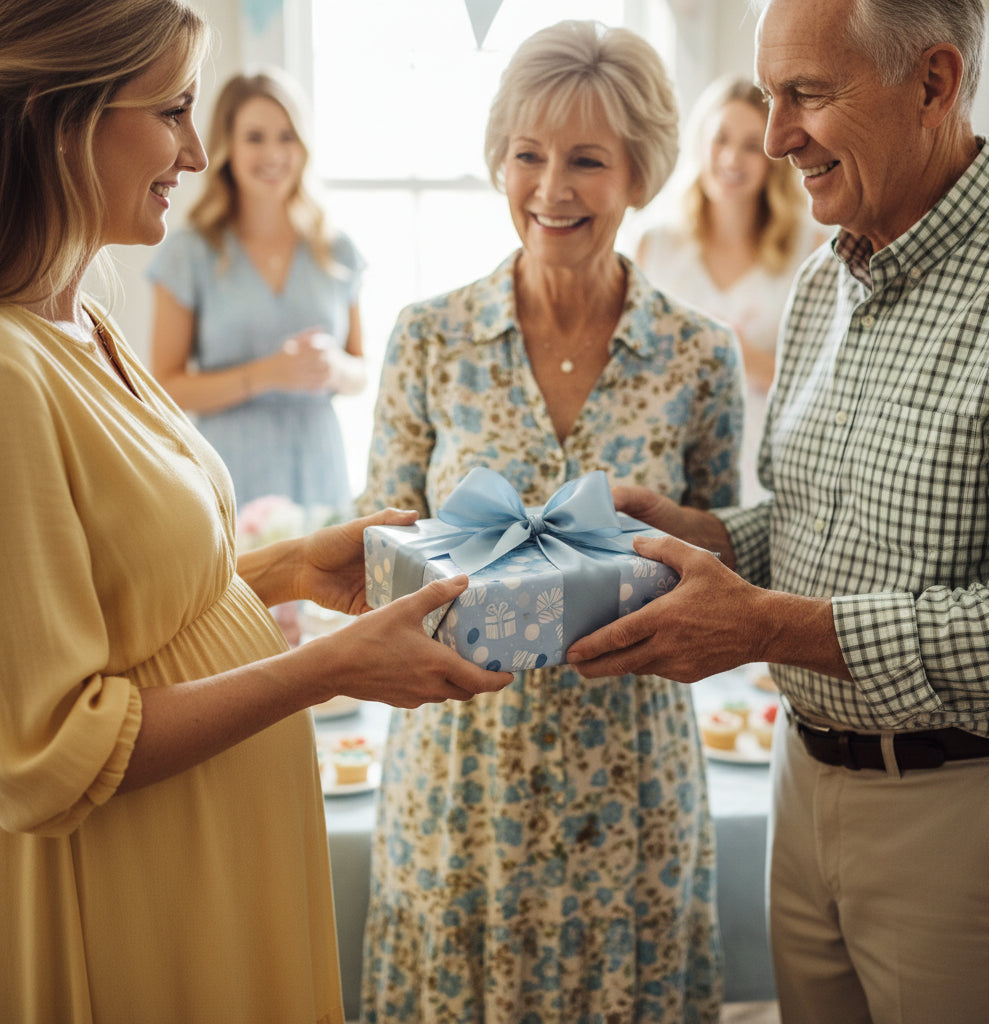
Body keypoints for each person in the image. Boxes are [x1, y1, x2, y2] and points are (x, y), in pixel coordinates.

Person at [0, 4, 511, 1022]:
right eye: (175, 111)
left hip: (218, 861)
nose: (196, 151)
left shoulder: (82, 317)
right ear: (67, 121)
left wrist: (286, 570)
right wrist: (333, 662)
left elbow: (137, 602)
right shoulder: (9, 376)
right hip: (142, 892)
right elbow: (52, 751)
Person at [568, 1, 989, 1022]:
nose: (774, 137)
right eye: (770, 95)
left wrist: (770, 625)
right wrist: (705, 534)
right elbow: (817, 524)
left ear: (935, 83)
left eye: (806, 95)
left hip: (959, 814)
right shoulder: (822, 280)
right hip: (798, 779)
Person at [355, 20, 743, 1024]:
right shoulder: (429, 338)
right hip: (461, 774)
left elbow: (724, 550)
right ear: (498, 161)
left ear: (640, 173)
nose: (550, 188)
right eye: (527, 154)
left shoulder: (698, 357)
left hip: (632, 777)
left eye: (586, 160)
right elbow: (372, 545)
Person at [148, 67, 366, 517]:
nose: (274, 153)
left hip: (320, 469)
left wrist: (332, 367)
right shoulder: (190, 253)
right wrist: (268, 373)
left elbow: (361, 371)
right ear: (227, 145)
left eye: (287, 136)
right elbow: (166, 386)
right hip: (230, 471)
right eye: (255, 137)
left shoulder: (336, 249)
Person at [636, 75, 821, 502]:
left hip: (768, 468)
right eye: (721, 139)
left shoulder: (808, 250)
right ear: (701, 143)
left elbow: (822, 384)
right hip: (669, 458)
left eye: (752, 145)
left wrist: (737, 354)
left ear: (772, 156)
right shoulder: (656, 246)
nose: (732, 158)